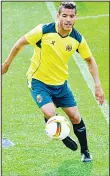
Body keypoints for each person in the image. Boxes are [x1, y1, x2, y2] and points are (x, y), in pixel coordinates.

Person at [2, 2, 104, 162]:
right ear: (58, 16)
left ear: (76, 17)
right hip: (38, 81)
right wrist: (7, 64)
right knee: (49, 113)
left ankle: (85, 151)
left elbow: (90, 60)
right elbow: (20, 43)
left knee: (75, 118)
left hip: (61, 84)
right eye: (65, 16)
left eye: (71, 16)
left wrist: (98, 86)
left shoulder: (77, 39)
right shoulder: (43, 31)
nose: (68, 19)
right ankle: (63, 135)